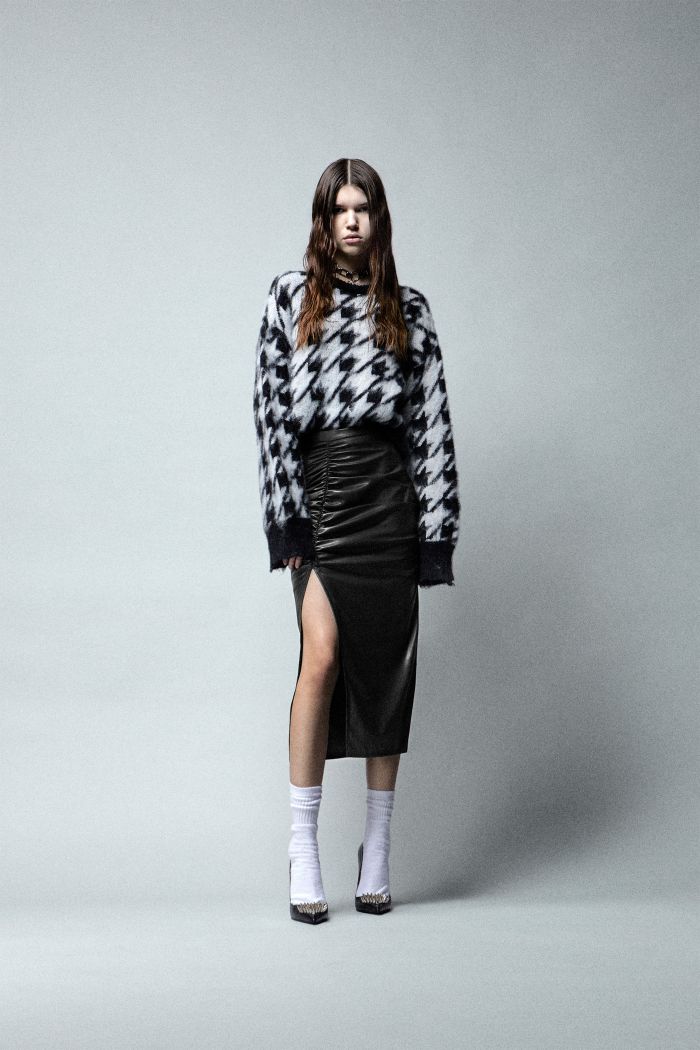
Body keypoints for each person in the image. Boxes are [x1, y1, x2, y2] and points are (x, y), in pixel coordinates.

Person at [252, 158, 460, 924]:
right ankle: (302, 845)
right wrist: (287, 518)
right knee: (322, 657)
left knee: (385, 669)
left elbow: (431, 424)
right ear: (323, 219)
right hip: (321, 496)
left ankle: (378, 845)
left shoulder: (408, 309)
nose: (350, 220)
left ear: (378, 219)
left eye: (362, 208)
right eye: (338, 208)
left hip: (387, 501)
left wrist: (434, 533)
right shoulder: (288, 297)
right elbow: (270, 415)